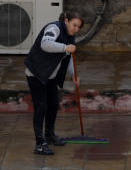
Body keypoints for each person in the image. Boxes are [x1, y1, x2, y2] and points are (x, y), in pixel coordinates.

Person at [24, 11, 83, 156]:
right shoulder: (53, 28)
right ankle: (39, 144)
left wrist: (74, 75)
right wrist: (65, 47)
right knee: (41, 107)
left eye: (78, 27)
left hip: (50, 75)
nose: (76, 29)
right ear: (66, 20)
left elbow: (68, 58)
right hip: (36, 73)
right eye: (74, 25)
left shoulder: (70, 37)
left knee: (53, 105)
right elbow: (45, 44)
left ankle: (49, 135)